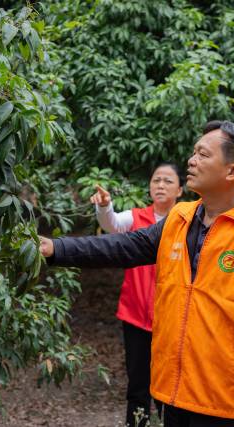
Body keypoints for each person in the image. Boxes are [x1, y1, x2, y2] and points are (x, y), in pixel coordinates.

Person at [39, 120, 234, 427]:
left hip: (231, 404)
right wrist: (56, 249)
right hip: (176, 393)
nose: (191, 160)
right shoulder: (179, 218)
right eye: (193, 153)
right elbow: (125, 246)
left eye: (203, 154)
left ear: (232, 171)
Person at [89, 163, 183, 427]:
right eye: (156, 181)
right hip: (136, 317)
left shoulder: (186, 221)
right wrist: (105, 206)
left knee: (172, 385)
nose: (161, 186)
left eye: (167, 181)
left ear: (180, 189)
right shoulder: (137, 217)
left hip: (175, 318)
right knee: (138, 384)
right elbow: (112, 225)